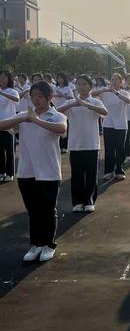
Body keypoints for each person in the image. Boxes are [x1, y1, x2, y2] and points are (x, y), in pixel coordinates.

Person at [0, 81, 67, 262]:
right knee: (33, 210)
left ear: (49, 98)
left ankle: (48, 244)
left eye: (40, 96)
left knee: (47, 209)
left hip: (49, 171)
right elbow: (2, 125)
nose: (36, 100)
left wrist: (36, 120)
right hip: (27, 171)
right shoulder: (24, 115)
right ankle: (36, 244)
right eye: (33, 96)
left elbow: (62, 130)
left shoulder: (56, 115)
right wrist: (23, 118)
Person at [57, 75, 107, 212]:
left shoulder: (95, 102)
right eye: (79, 84)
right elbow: (56, 112)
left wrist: (86, 104)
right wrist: (73, 103)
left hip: (92, 144)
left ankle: (89, 201)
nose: (81, 86)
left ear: (90, 86)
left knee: (91, 174)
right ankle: (77, 202)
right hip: (75, 144)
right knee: (77, 174)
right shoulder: (72, 102)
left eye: (84, 84)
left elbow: (104, 112)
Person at [92, 73, 130, 180]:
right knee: (109, 149)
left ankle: (119, 169)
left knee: (120, 148)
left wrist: (116, 92)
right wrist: (105, 90)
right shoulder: (105, 92)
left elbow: (128, 101)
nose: (114, 82)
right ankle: (108, 171)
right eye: (112, 79)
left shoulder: (124, 92)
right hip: (108, 124)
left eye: (116, 80)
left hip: (121, 125)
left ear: (121, 81)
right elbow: (91, 94)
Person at [0, 71, 20, 182]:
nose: (2, 79)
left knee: (9, 150)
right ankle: (1, 171)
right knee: (0, 150)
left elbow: (17, 100)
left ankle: (10, 173)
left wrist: (1, 93)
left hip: (9, 124)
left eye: (4, 77)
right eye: (0, 77)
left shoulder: (12, 91)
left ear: (9, 79)